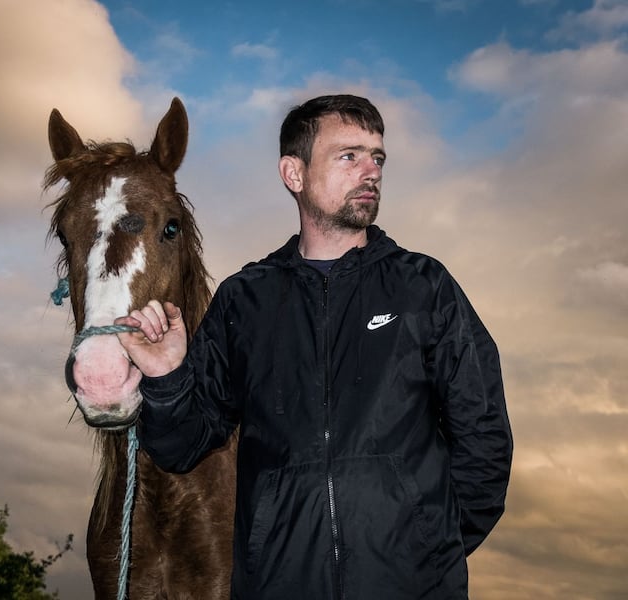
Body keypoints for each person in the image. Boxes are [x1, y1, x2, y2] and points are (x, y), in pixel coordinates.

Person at [116, 94, 513, 599]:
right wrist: (167, 378)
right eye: (349, 156)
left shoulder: (424, 287)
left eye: (378, 157)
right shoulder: (245, 300)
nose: (371, 170)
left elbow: (485, 439)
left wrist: (431, 547)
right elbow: (179, 448)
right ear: (294, 173)